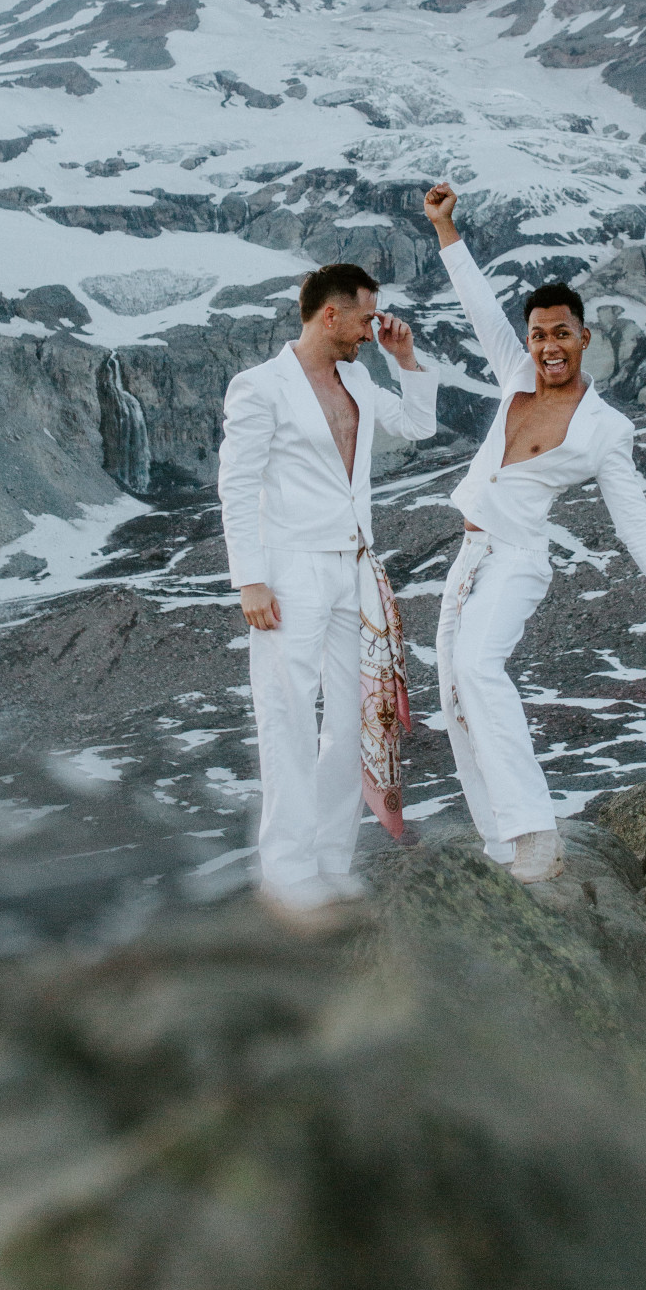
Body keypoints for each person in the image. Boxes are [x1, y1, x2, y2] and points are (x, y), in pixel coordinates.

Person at [423, 183, 646, 883]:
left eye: (561, 334)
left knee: (479, 669)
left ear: (585, 337)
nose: (549, 346)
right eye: (539, 334)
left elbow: (632, 519)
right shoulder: (515, 374)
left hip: (518, 559)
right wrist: (444, 228)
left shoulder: (607, 429)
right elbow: (478, 305)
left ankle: (536, 834)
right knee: (453, 693)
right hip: (469, 556)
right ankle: (500, 846)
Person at [218, 262, 438, 922]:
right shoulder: (260, 387)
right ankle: (286, 872)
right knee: (286, 715)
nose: (374, 330)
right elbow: (236, 483)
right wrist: (249, 578)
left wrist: (406, 358)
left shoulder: (362, 377)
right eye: (368, 318)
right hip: (291, 570)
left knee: (353, 719)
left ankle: (331, 861)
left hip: (355, 567)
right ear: (329, 315)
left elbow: (420, 426)